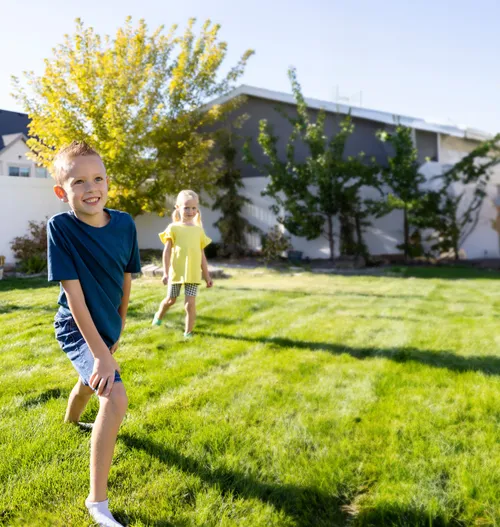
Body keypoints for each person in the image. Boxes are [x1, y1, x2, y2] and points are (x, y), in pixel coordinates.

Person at [47, 141, 141, 527]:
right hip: (75, 324)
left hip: (106, 323)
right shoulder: (61, 228)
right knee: (114, 396)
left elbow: (126, 278)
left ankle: (70, 422)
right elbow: (74, 295)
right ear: (62, 191)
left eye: (98, 178)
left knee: (91, 380)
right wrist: (101, 352)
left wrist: (117, 325)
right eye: (79, 181)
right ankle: (97, 503)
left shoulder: (125, 224)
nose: (92, 188)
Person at [152, 190, 213, 336]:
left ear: (197, 209)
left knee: (190, 304)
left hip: (192, 275)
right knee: (170, 300)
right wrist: (165, 272)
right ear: (178, 207)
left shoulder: (199, 231)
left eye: (193, 208)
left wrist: (207, 276)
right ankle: (158, 316)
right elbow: (166, 252)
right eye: (186, 207)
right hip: (176, 274)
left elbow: (202, 257)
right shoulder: (173, 228)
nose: (190, 211)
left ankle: (188, 333)